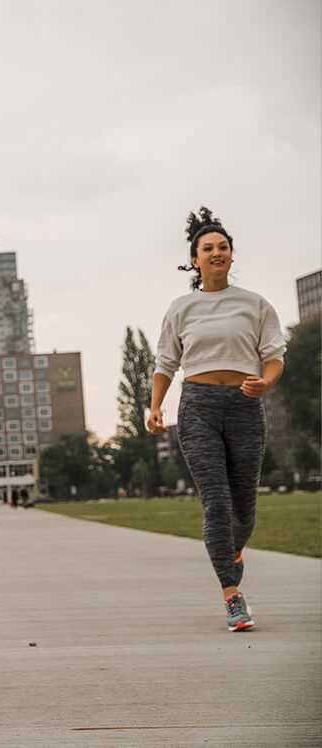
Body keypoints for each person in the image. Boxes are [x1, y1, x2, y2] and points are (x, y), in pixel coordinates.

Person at [147, 207, 285, 632]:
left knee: (244, 510)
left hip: (245, 406)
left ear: (231, 255)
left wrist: (265, 383)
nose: (216, 252)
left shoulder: (255, 304)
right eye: (207, 248)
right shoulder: (182, 307)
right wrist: (155, 407)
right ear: (195, 260)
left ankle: (233, 551)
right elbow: (165, 363)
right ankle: (232, 595)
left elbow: (274, 357)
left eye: (223, 247)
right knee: (217, 503)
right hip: (198, 409)